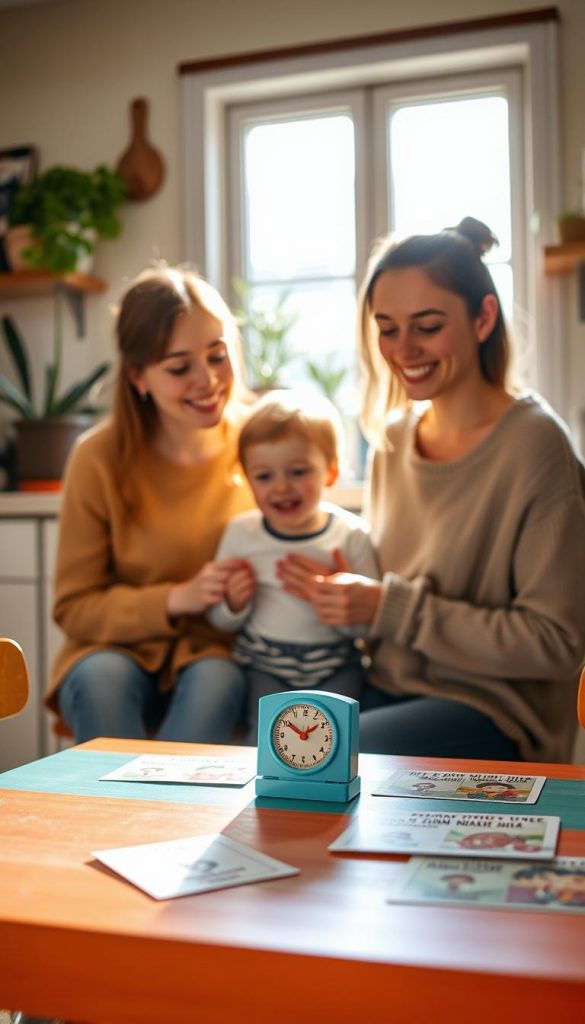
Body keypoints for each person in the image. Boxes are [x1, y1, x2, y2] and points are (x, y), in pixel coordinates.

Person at [277, 216, 585, 762]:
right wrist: (341, 589)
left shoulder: (536, 447)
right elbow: (387, 594)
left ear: (483, 317)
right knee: (260, 737)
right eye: (387, 327)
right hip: (389, 689)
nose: (404, 349)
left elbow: (556, 644)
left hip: (495, 713)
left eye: (427, 325)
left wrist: (388, 606)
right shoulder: (393, 440)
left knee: (322, 759)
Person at [45, 265, 255, 743]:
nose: (208, 381)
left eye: (218, 356)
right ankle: (116, 819)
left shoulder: (259, 446)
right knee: (103, 680)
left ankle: (167, 817)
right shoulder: (97, 458)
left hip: (213, 654)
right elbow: (74, 607)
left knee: (217, 680)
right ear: (138, 376)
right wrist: (177, 598)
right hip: (109, 650)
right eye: (179, 368)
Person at [207, 390, 379, 741]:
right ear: (247, 478)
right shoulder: (241, 533)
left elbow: (368, 630)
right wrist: (234, 604)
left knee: (338, 739)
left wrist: (335, 604)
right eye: (264, 476)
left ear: (330, 472)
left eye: (298, 471)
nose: (282, 487)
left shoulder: (351, 536)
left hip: (336, 663)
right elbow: (219, 620)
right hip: (263, 664)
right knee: (266, 739)